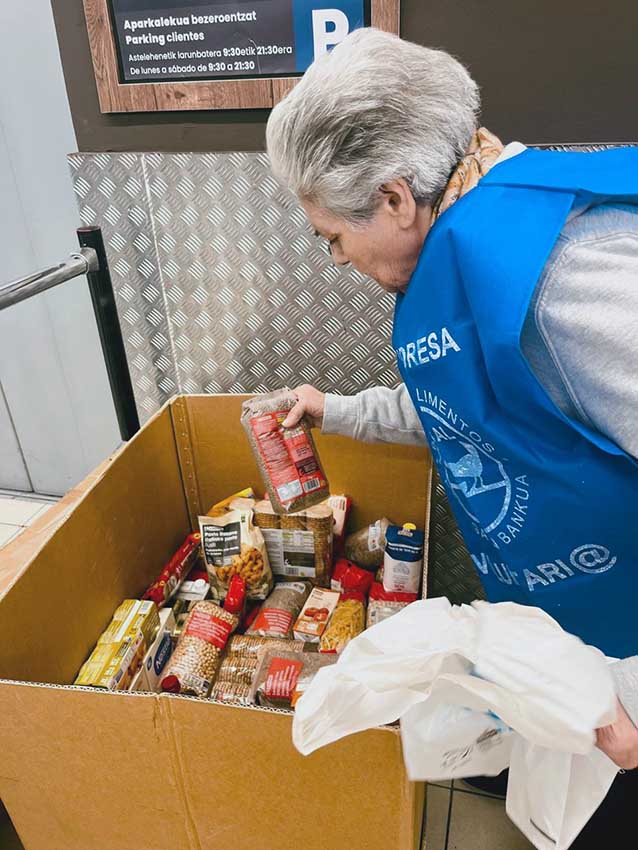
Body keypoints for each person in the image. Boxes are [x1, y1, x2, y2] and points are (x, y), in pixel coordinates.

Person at [265, 27, 638, 847]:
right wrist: (338, 409)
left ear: (396, 198)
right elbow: (474, 405)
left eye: (333, 237)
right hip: (587, 647)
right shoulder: (473, 233)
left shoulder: (568, 275)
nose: (337, 259)